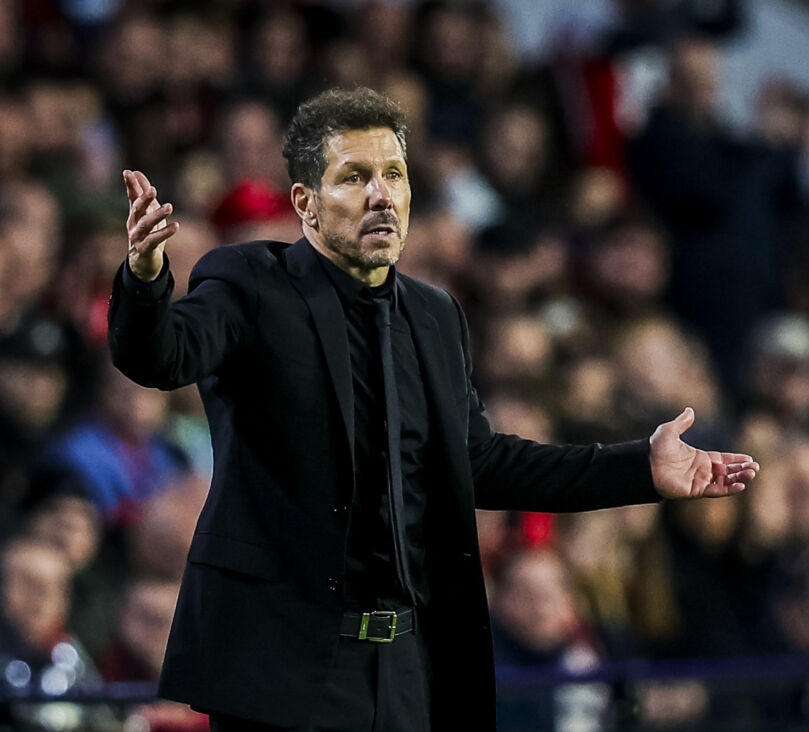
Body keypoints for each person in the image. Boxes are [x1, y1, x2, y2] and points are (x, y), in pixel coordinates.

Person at [108, 86, 760, 732]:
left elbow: (481, 462)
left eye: (394, 174)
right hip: (282, 658)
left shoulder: (435, 314)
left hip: (402, 668)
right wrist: (144, 276)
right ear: (305, 203)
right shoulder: (250, 280)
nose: (381, 194)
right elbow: (161, 357)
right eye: (355, 176)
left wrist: (640, 470)